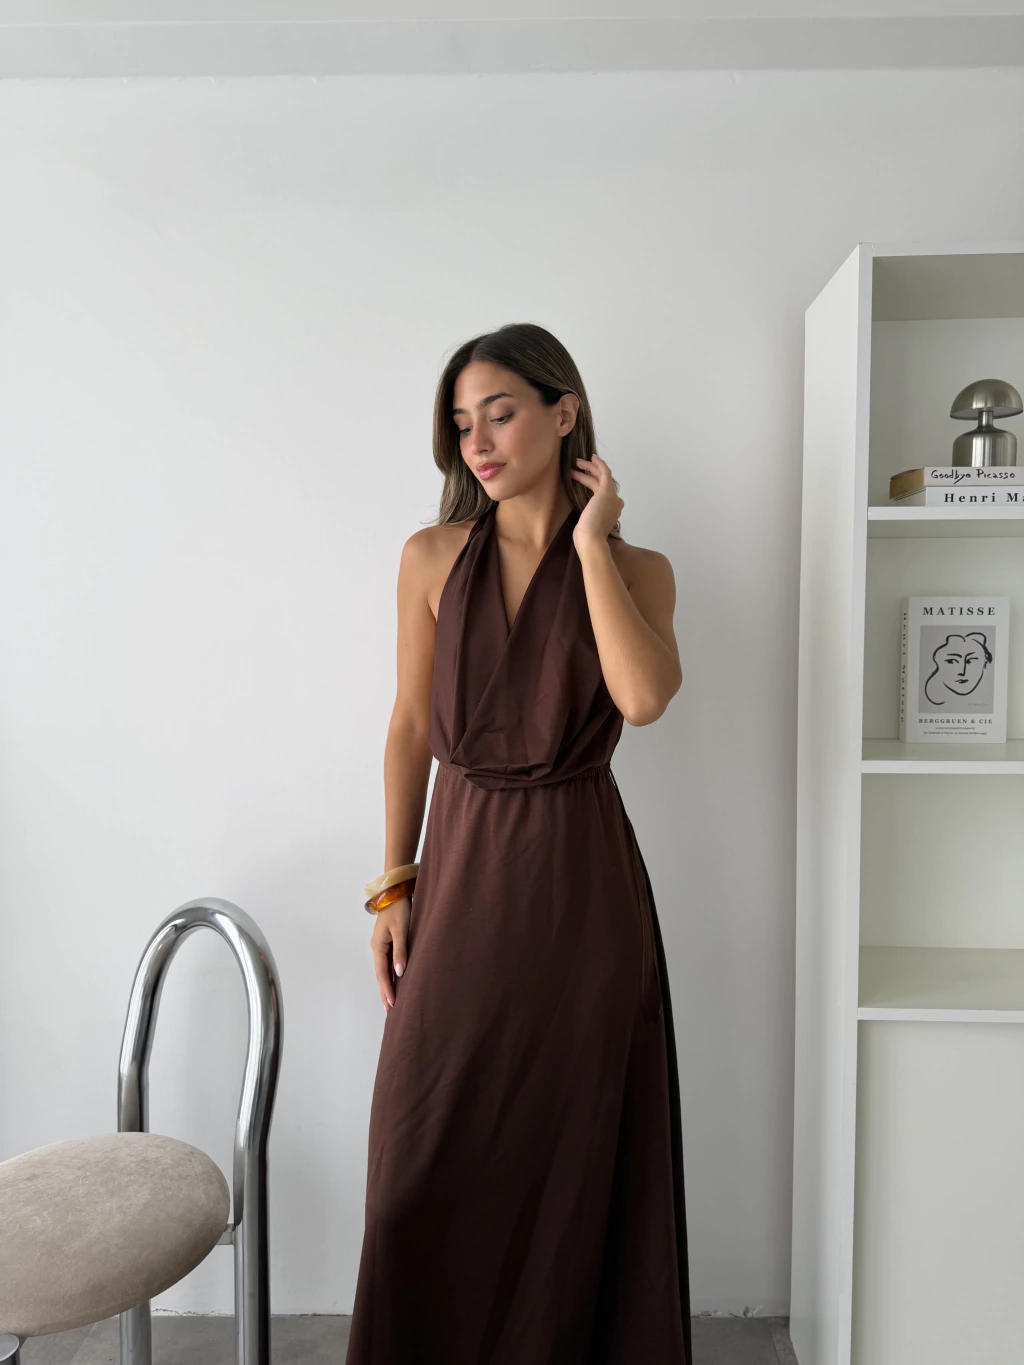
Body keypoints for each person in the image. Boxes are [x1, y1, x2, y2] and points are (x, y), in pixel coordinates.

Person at [346, 322, 692, 1364]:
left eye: (499, 413)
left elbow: (642, 698)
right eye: (462, 425)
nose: (479, 443)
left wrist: (588, 546)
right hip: (460, 875)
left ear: (563, 411)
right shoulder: (431, 556)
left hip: (583, 893)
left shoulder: (638, 568)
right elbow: (411, 724)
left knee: (572, 1168)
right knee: (415, 1167)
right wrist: (394, 882)